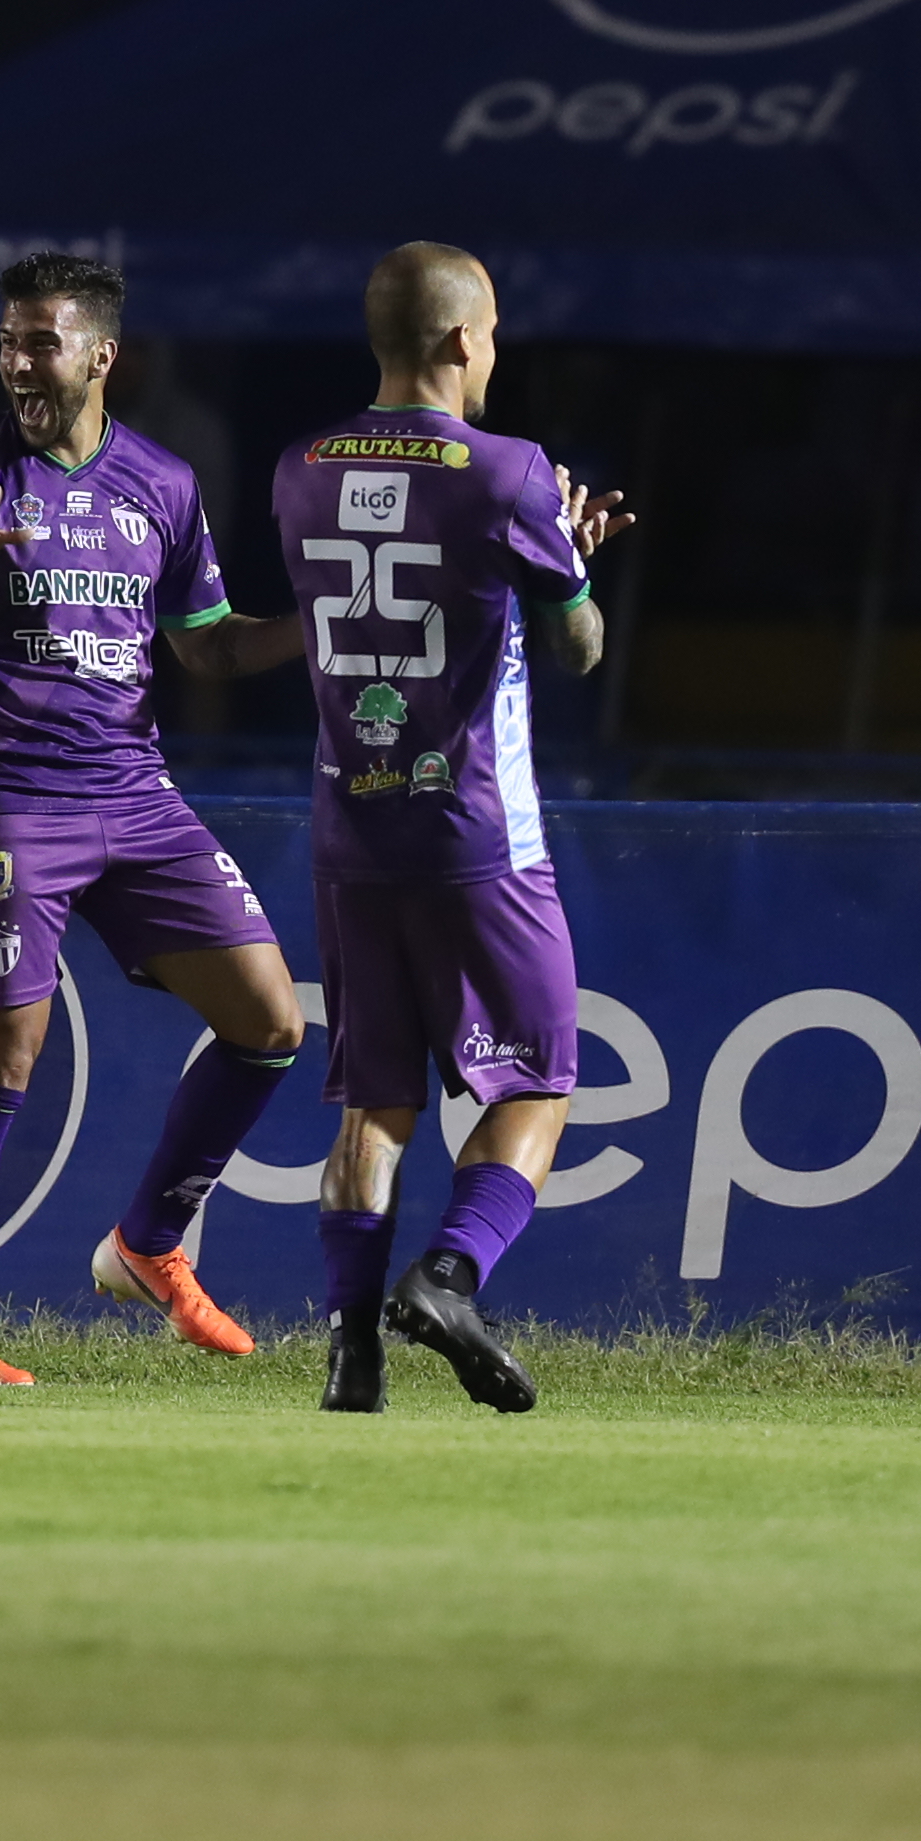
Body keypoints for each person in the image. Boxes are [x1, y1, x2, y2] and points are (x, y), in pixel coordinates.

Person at [0, 251, 311, 1383]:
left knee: (271, 1023)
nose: (20, 363)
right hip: (3, 796)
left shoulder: (165, 484)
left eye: (42, 342)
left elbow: (211, 647)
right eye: (8, 342)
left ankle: (147, 1246)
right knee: (5, 1053)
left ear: (102, 355)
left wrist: (320, 622)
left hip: (135, 795)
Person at [272, 245, 632, 1415]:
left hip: (348, 831)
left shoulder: (299, 470)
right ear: (459, 341)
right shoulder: (513, 474)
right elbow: (578, 649)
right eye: (488, 337)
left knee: (374, 1099)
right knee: (539, 1080)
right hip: (478, 836)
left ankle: (348, 1354)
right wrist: (567, 563)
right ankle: (448, 1275)